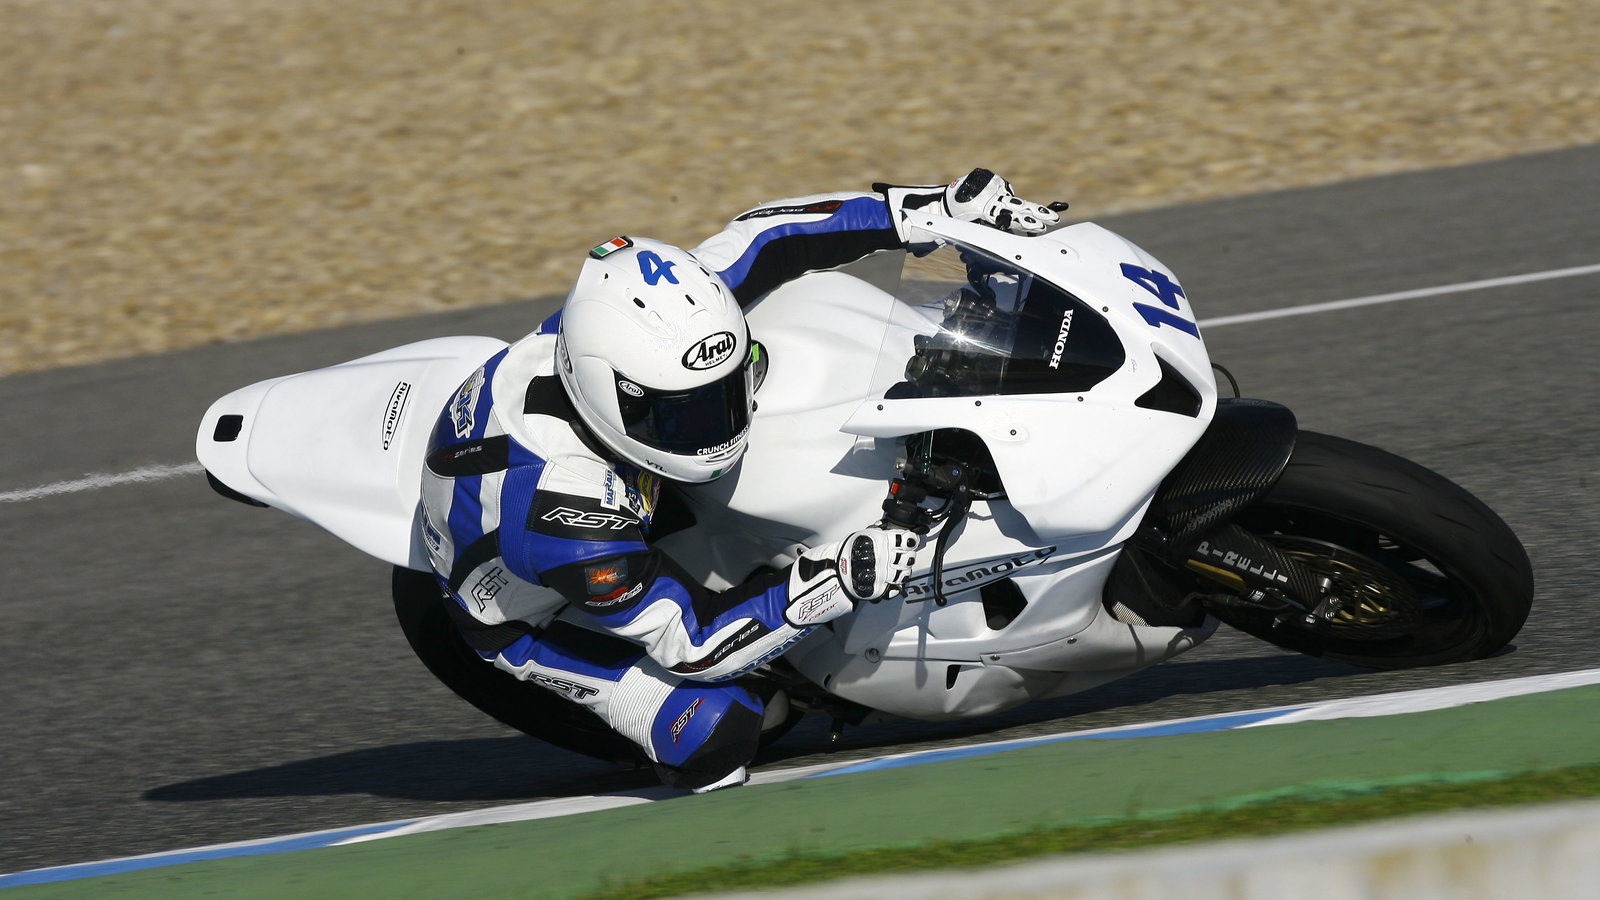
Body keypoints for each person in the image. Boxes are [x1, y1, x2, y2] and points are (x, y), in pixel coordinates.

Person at [418, 169, 1060, 791]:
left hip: (575, 474)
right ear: (609, 398)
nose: (716, 425)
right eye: (684, 413)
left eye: (724, 395)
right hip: (523, 613)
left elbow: (769, 236)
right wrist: (837, 581)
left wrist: (925, 210)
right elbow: (691, 646)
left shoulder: (643, 328)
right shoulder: (566, 514)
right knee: (719, 732)